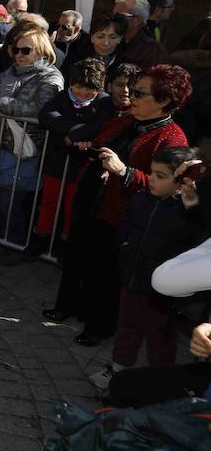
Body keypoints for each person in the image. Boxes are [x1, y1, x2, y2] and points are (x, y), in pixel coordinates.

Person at [45, 64, 192, 346]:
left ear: (164, 101)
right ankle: (67, 305)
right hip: (92, 200)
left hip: (124, 215)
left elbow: (165, 186)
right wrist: (86, 149)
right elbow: (100, 143)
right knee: (76, 255)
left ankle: (98, 326)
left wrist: (123, 171)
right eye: (132, 90)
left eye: (139, 93)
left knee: (106, 272)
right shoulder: (124, 120)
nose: (130, 96)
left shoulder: (172, 138)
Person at [90, 146, 204, 389]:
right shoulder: (141, 198)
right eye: (152, 172)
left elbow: (195, 246)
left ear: (181, 182)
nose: (151, 178)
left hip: (162, 292)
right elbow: (126, 226)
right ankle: (119, 372)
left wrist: (191, 200)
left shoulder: (189, 213)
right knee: (127, 327)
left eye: (160, 176)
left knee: (160, 338)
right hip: (132, 278)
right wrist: (124, 245)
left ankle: (158, 384)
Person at [0, 24, 64, 256]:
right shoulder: (10, 72)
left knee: (15, 201)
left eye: (25, 51)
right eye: (16, 50)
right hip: (0, 143)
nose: (19, 55)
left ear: (41, 50)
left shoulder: (50, 77)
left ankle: (13, 245)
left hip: (26, 148)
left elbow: (41, 110)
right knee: (1, 197)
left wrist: (1, 104)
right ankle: (1, 240)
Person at [34, 59, 115, 251]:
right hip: (56, 161)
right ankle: (41, 239)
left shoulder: (104, 102)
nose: (83, 93)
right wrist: (72, 129)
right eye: (79, 87)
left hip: (82, 165)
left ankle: (65, 245)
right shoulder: (63, 97)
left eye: (90, 89)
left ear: (100, 86)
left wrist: (76, 135)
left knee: (72, 207)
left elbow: (101, 125)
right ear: (71, 83)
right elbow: (46, 115)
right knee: (48, 202)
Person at [61, 13, 129, 80]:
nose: (106, 43)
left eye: (113, 37)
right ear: (92, 37)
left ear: (120, 38)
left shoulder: (126, 59)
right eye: (100, 37)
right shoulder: (76, 53)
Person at [113, 0, 165, 67]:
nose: (113, 19)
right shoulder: (110, 41)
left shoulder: (153, 51)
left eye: (119, 15)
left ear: (137, 21)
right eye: (113, 15)